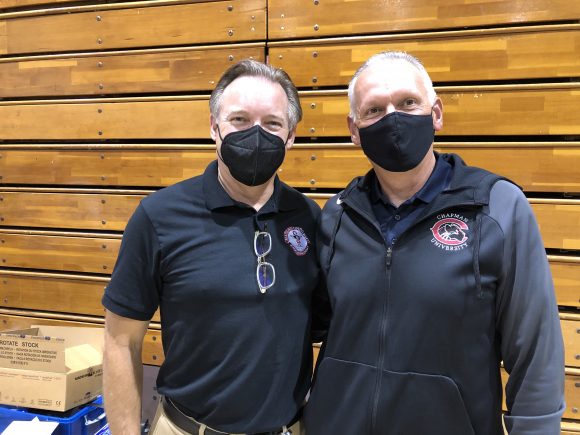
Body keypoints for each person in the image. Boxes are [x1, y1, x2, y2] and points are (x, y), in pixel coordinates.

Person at [304, 51, 565, 435]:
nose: (392, 118)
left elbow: (535, 347)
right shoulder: (337, 215)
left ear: (436, 113)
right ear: (354, 130)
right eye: (374, 109)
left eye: (408, 102)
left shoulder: (497, 207)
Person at [102, 59, 322, 435]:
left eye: (271, 123)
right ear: (214, 127)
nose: (255, 134)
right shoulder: (159, 216)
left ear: (290, 136)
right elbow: (121, 341)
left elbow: (326, 331)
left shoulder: (309, 218)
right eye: (239, 119)